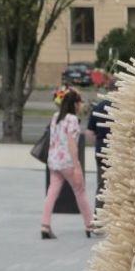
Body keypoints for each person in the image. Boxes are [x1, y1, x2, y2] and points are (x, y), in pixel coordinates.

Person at [42, 88, 94, 239]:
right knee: (80, 191)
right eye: (80, 102)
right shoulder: (72, 119)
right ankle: (89, 224)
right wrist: (77, 166)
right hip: (67, 162)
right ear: (75, 104)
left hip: (54, 161)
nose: (81, 105)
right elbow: (71, 143)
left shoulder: (55, 117)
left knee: (52, 192)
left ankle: (44, 225)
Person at [86, 76, 116, 210]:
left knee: (102, 185)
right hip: (118, 153)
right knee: (119, 187)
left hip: (100, 152)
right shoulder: (124, 107)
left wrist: (99, 139)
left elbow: (89, 132)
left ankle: (98, 218)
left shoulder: (98, 107)